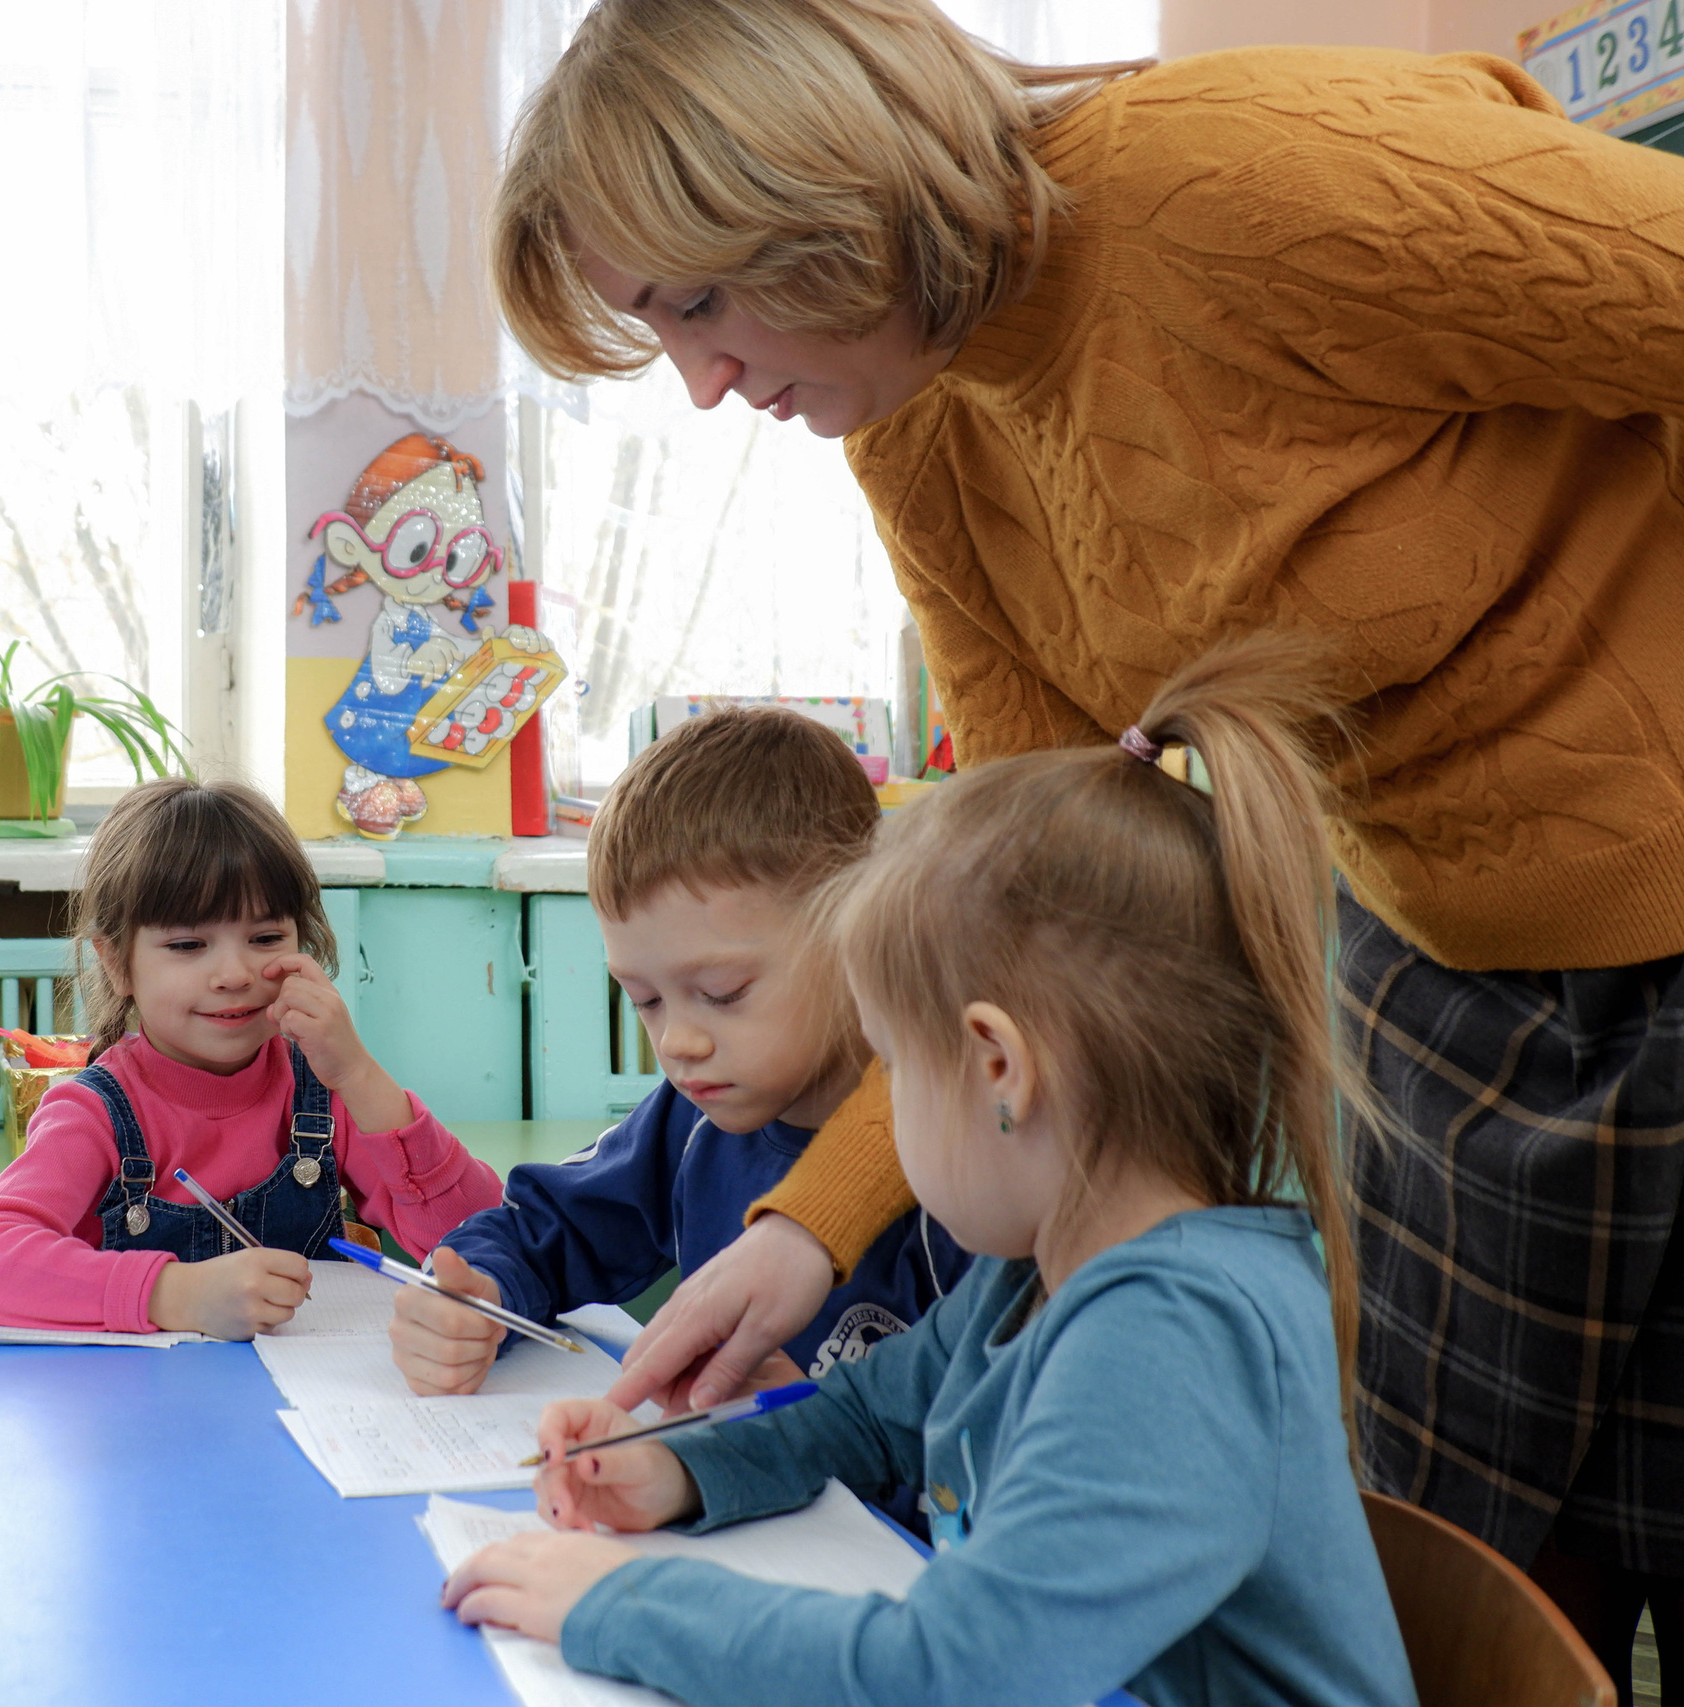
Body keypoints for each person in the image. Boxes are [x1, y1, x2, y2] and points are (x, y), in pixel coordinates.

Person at [492, 0, 1684, 1670]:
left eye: (701, 300)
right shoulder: (911, 412)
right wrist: (800, 1231)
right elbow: (1022, 895)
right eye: (652, 327)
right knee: (1468, 1577)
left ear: (828, 189)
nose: (698, 381)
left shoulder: (1245, 185)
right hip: (1443, 973)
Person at [442, 642, 1413, 1707]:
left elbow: (956, 1674)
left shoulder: (1170, 1334)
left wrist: (615, 1604)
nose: (875, 1124)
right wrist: (674, 1470)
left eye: (891, 1068)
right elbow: (857, 1420)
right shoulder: (1037, 1265)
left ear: (999, 1068)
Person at [388, 707, 964, 1414]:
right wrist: (482, 1292)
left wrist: (816, 1421)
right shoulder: (688, 1118)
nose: (678, 1043)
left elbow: (1002, 1425)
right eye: (645, 999)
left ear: (859, 931)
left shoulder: (955, 1151)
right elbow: (548, 1224)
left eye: (721, 993)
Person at [0, 778, 502, 1341]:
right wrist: (173, 1295)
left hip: (317, 1407)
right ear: (117, 964)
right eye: (188, 946)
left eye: (266, 937)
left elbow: (484, 1239)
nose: (234, 975)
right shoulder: (92, 1112)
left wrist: (360, 1075)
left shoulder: (325, 1090)